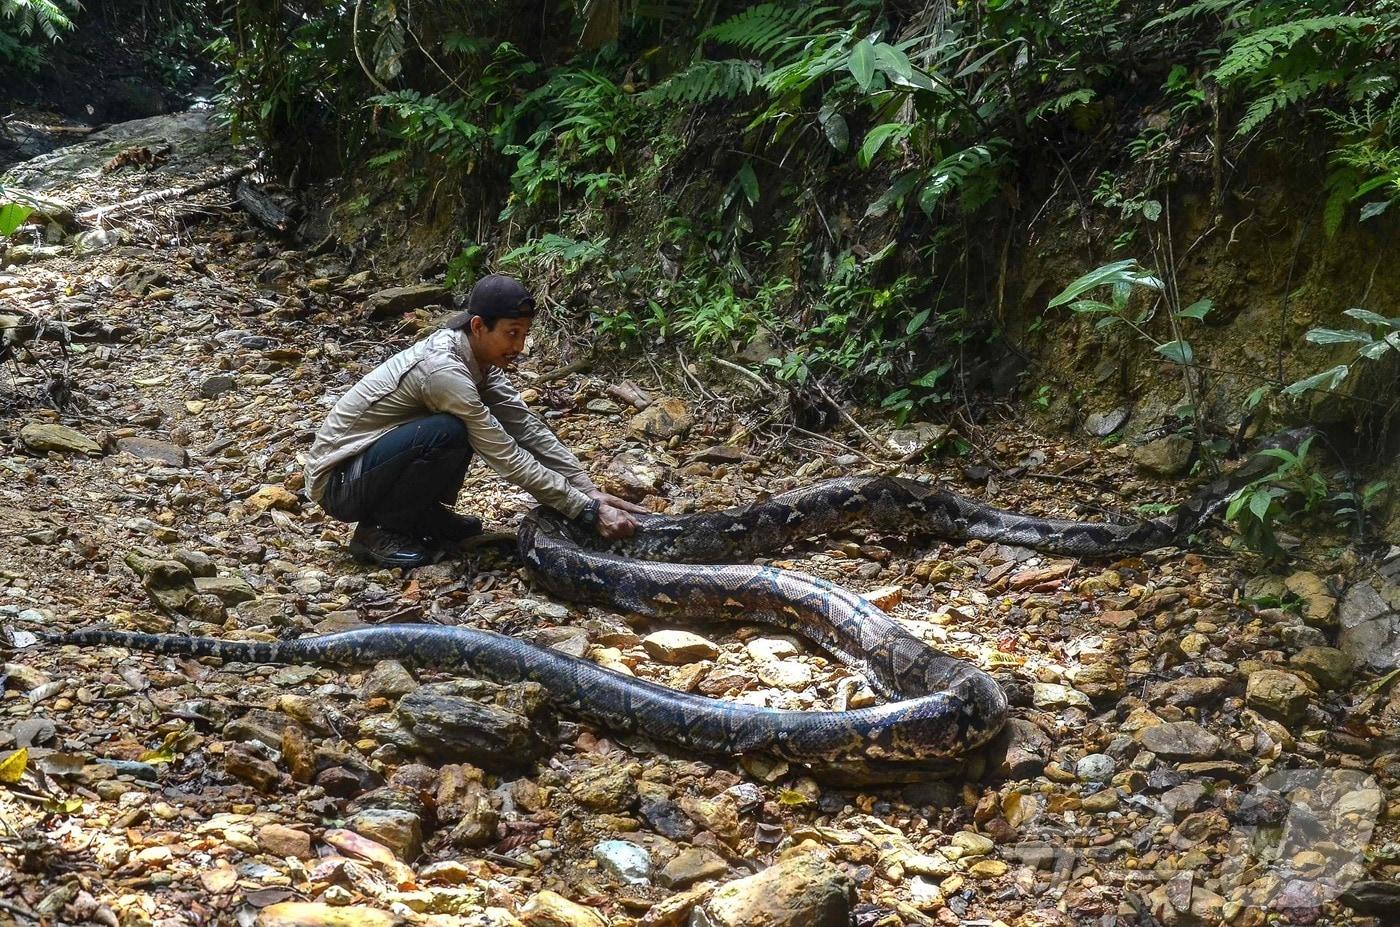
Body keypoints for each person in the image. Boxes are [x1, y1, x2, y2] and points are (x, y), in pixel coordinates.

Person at [304, 274, 646, 568]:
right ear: (479, 326)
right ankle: (378, 531)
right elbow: (505, 455)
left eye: (525, 334)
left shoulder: (481, 363)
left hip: (368, 468)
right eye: (512, 333)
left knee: (454, 430)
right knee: (449, 431)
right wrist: (584, 510)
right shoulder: (443, 372)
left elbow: (526, 428)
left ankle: (420, 514)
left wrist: (587, 490)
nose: (520, 346)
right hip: (338, 482)